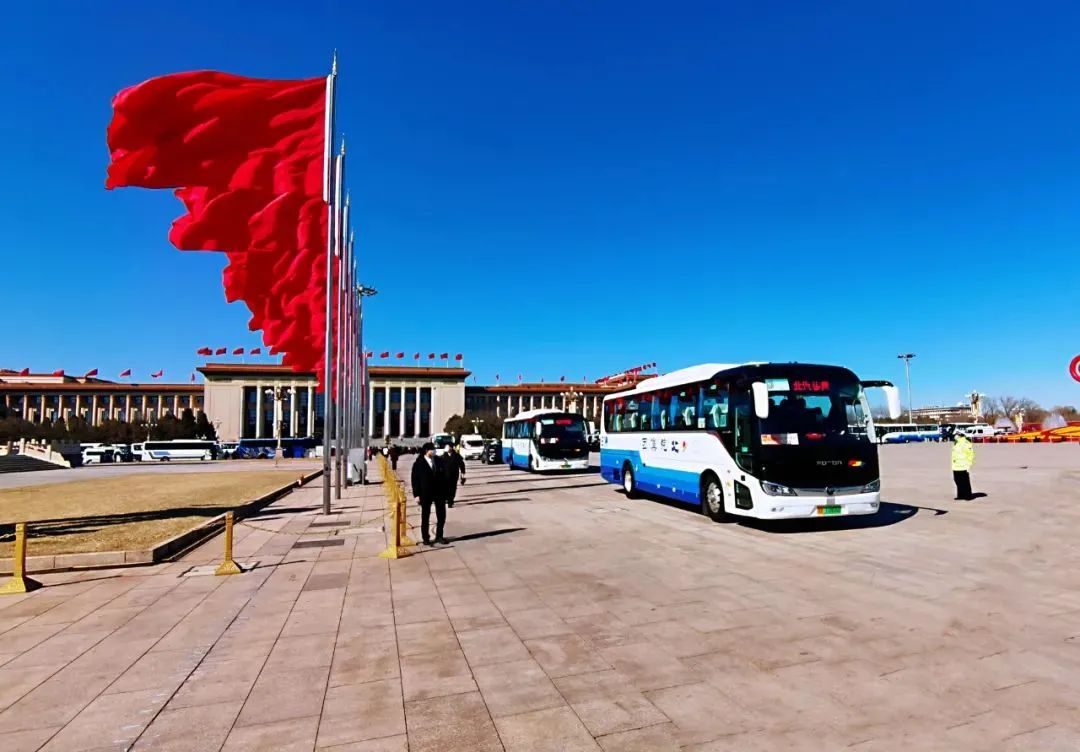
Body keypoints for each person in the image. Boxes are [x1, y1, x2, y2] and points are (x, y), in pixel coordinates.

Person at [411, 442, 445, 545]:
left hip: (439, 491)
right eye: (432, 449)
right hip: (425, 493)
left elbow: (444, 474)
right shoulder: (418, 463)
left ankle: (439, 536)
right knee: (425, 516)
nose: (434, 451)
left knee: (441, 515)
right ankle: (425, 538)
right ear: (426, 451)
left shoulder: (439, 460)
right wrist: (416, 494)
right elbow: (415, 480)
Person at [438, 444, 467, 508]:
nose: (447, 449)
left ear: (451, 448)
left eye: (448, 447)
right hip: (445, 476)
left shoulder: (457, 456)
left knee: (452, 488)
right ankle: (447, 499)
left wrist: (463, 474)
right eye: (446, 447)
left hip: (454, 475)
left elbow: (462, 465)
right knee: (446, 488)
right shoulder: (443, 456)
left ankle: (450, 501)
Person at [951, 432, 976, 500]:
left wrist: (969, 464)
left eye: (956, 435)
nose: (955, 436)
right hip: (956, 465)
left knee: (964, 481)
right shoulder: (957, 443)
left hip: (963, 465)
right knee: (957, 480)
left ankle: (968, 496)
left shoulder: (965, 442)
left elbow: (970, 454)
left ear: (960, 435)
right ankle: (961, 495)